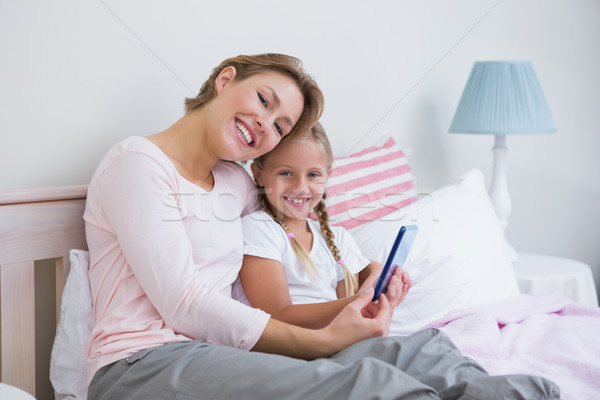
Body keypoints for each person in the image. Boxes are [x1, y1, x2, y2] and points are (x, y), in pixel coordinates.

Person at [84, 53, 560, 400]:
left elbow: (300, 205)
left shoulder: (234, 180)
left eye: (279, 126)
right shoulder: (138, 164)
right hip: (141, 364)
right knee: (372, 385)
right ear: (225, 79)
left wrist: (374, 274)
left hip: (228, 352)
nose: (264, 124)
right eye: (263, 100)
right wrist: (323, 341)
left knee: (423, 352)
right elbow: (183, 303)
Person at [234, 122, 412, 331]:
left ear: (327, 176)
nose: (300, 187)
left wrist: (380, 280)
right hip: (288, 348)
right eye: (286, 173)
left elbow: (349, 319)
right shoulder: (258, 228)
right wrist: (357, 302)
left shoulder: (338, 238)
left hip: (337, 345)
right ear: (259, 175)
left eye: (313, 175)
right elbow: (277, 316)